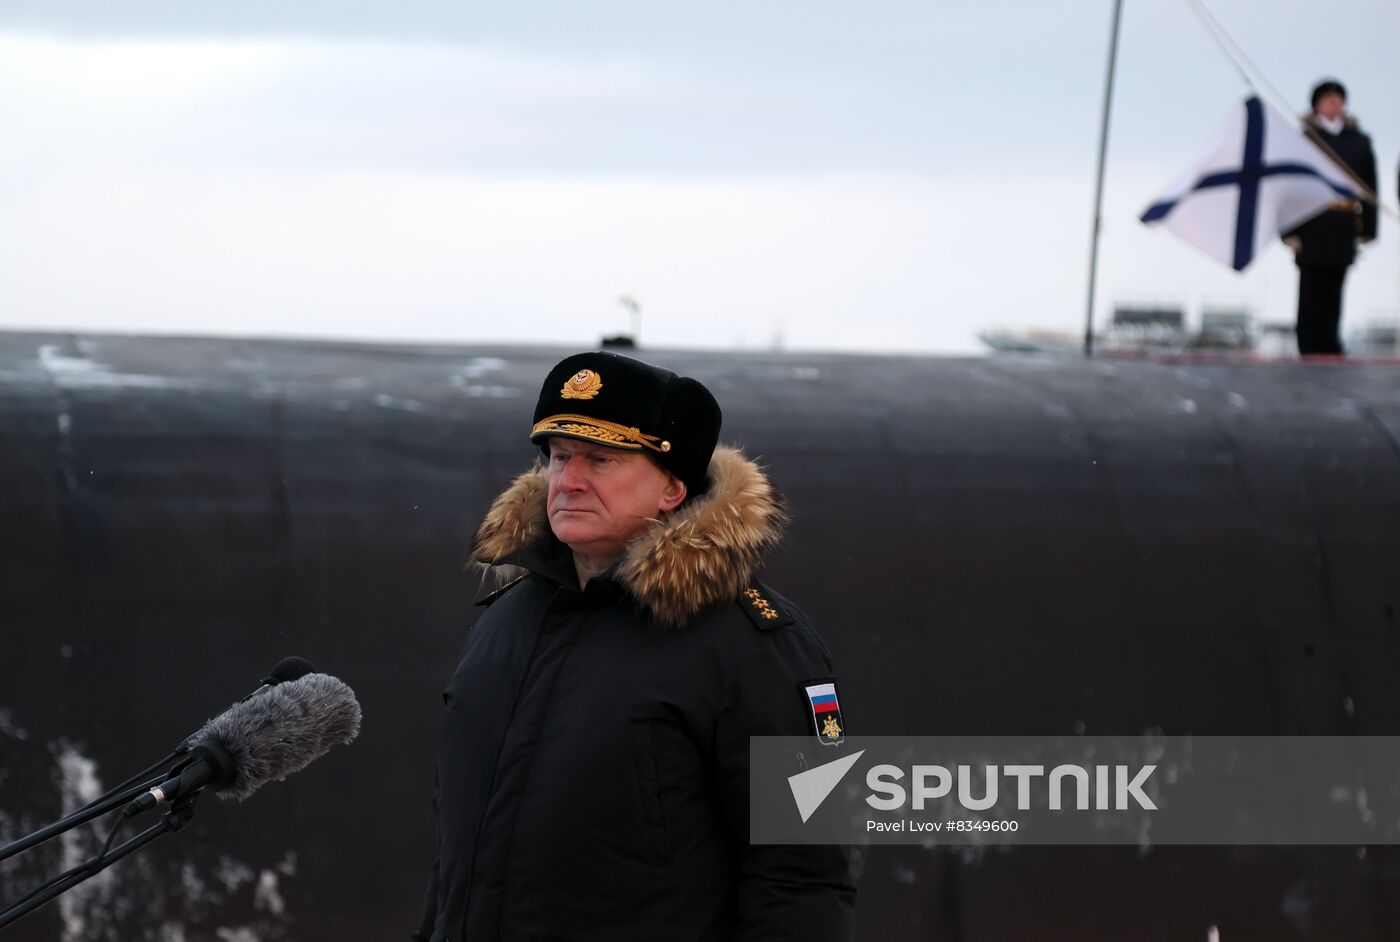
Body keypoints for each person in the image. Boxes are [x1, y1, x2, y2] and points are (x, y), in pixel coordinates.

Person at [414, 351, 856, 942]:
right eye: (560, 457)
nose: (567, 480)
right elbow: (458, 862)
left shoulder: (753, 645)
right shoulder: (505, 624)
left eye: (601, 459)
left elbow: (803, 879)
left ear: (673, 487)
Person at [1283, 78, 1378, 355]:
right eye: (1327, 99)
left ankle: (1330, 348)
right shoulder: (1304, 140)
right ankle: (1308, 347)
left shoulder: (1359, 142)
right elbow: (1290, 187)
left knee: (1334, 292)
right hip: (1311, 225)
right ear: (1316, 106)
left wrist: (1368, 228)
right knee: (1310, 291)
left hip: (1342, 225)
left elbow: (1370, 188)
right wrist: (1288, 230)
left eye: (1338, 99)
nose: (1333, 104)